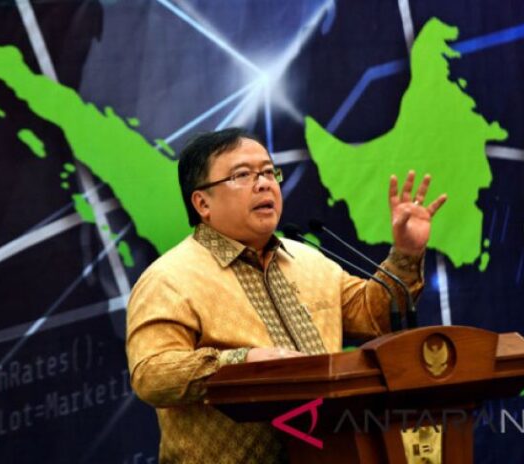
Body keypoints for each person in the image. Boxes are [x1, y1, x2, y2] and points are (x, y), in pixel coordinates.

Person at [126, 128, 447, 463]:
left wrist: (406, 252)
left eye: (269, 172)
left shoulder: (308, 260)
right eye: (242, 175)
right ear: (202, 203)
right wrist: (241, 362)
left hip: (329, 454)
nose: (264, 183)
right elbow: (152, 374)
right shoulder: (170, 279)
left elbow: (374, 318)